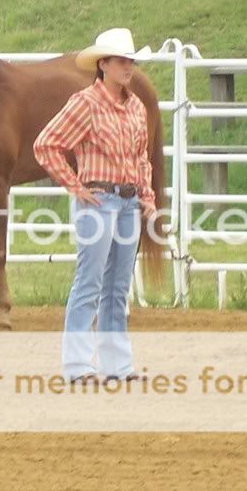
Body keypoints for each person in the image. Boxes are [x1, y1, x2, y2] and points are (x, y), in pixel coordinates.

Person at [33, 28, 155, 385]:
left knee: (117, 287)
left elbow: (141, 157)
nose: (128, 66)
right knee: (89, 282)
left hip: (127, 201)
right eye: (121, 60)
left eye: (130, 60)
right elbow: (46, 145)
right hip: (99, 200)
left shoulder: (135, 106)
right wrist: (75, 186)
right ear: (103, 64)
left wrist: (146, 196)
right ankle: (78, 366)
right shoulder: (85, 103)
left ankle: (117, 364)